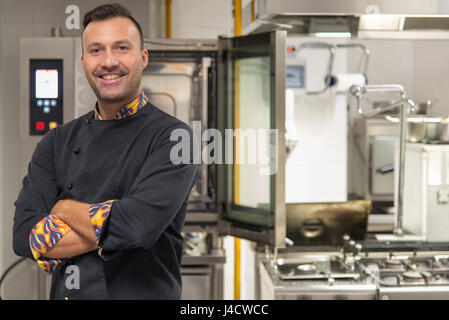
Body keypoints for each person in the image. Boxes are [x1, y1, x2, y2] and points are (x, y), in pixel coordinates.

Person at [12, 3, 197, 300]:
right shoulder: (56, 141)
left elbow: (137, 227)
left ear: (143, 57)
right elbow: (23, 237)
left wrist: (64, 209)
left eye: (121, 48)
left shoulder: (174, 139)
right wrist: (111, 224)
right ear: (84, 62)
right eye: (96, 50)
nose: (108, 61)